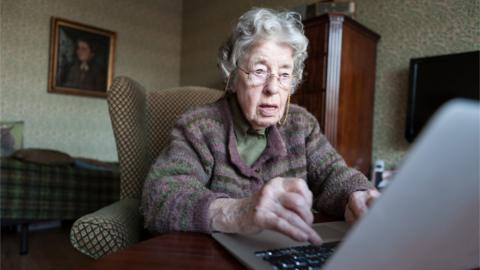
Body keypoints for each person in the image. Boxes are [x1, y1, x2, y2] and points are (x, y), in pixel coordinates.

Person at [141, 8, 379, 244]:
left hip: (285, 251)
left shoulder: (301, 125)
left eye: (284, 74)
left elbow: (334, 175)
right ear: (233, 77)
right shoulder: (199, 127)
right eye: (260, 71)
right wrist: (238, 211)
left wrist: (356, 195)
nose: (273, 88)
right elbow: (160, 198)